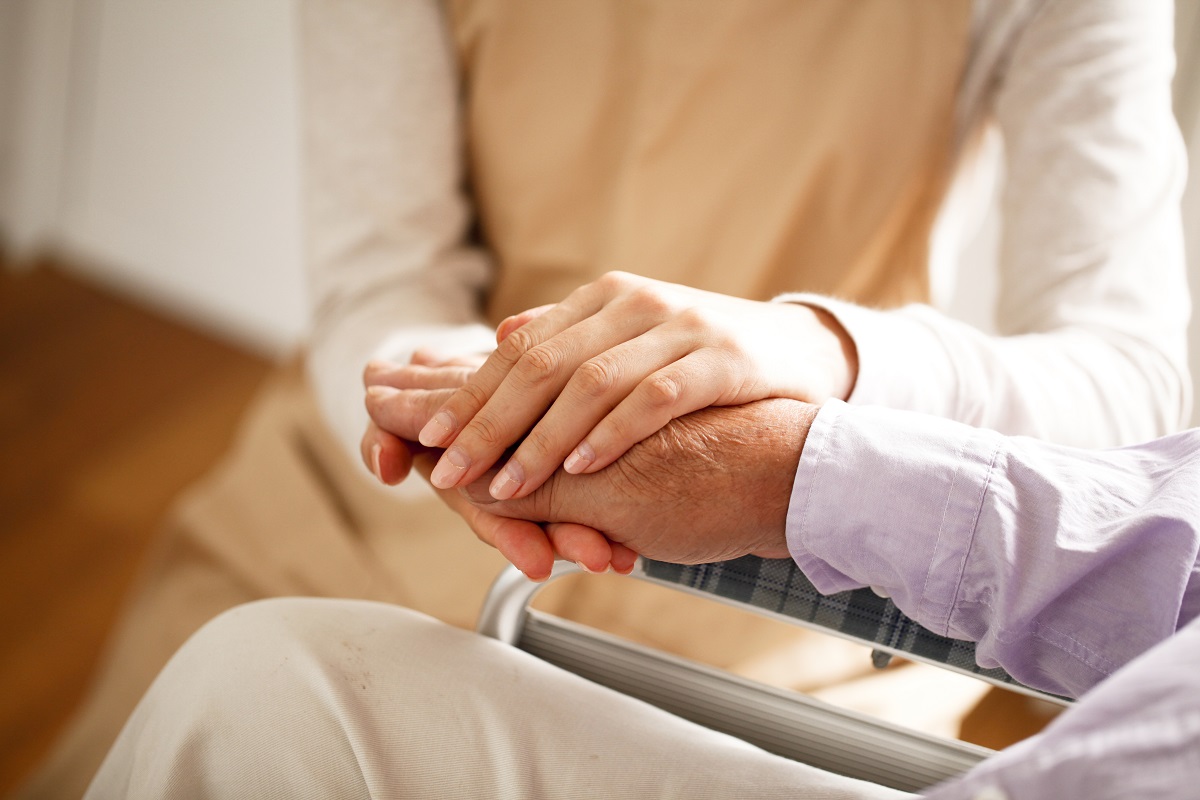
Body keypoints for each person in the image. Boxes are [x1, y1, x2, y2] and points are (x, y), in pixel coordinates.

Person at [16, 0, 1192, 796]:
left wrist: (817, 351)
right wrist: (483, 420)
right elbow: (383, 277)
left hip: (794, 609)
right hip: (375, 507)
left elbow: (1133, 386)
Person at [84, 393, 1200, 798]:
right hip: (540, 487)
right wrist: (790, 468)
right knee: (270, 687)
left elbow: (1127, 363)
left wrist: (811, 351)